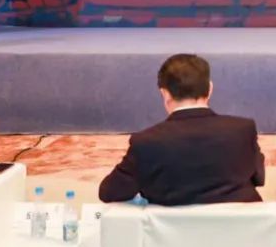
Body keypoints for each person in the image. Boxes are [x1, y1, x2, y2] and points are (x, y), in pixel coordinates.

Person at [99, 53, 265, 205]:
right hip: (240, 228)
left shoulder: (146, 143)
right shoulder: (243, 130)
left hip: (171, 229)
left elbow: (109, 192)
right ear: (210, 89)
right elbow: (259, 178)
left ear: (165, 94)